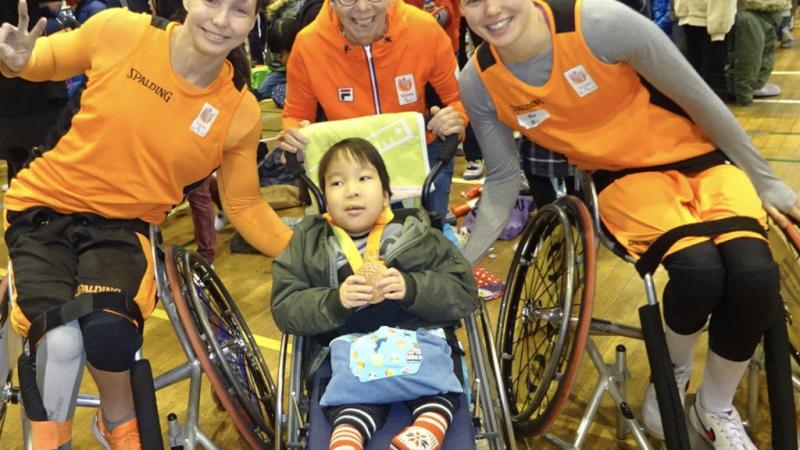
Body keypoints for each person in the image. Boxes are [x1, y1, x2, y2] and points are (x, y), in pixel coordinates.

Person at [458, 0, 800, 448]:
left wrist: (768, 182)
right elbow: (503, 179)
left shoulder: (602, 24)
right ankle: (670, 377)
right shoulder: (479, 81)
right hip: (623, 179)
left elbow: (699, 99)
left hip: (702, 160)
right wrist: (461, 260)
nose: (491, 10)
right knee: (699, 273)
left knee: (755, 276)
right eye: (472, 1)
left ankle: (714, 408)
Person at [0, 0, 292, 448]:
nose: (220, 19)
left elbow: (246, 204)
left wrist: (304, 250)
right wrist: (20, 59)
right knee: (59, 342)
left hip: (122, 228)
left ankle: (116, 421)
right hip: (44, 207)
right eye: (212, 2)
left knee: (111, 334)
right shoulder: (121, 30)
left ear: (253, 22)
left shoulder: (238, 112)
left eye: (238, 10)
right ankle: (51, 440)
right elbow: (47, 60)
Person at [271, 138, 478, 450]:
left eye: (364, 178)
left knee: (439, 388)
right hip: (347, 352)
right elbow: (285, 307)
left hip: (417, 340)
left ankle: (426, 429)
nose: (351, 190)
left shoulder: (419, 235)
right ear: (324, 197)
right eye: (337, 182)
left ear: (386, 194)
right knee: (348, 403)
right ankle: (347, 438)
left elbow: (463, 292)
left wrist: (412, 289)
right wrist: (334, 301)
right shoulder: (308, 244)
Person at [276, 0, 466, 223]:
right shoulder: (308, 44)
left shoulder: (424, 28)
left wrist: (455, 119)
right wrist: (294, 137)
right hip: (352, 167)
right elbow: (296, 114)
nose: (363, 7)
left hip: (422, 154)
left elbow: (458, 98)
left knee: (430, 237)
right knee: (362, 249)